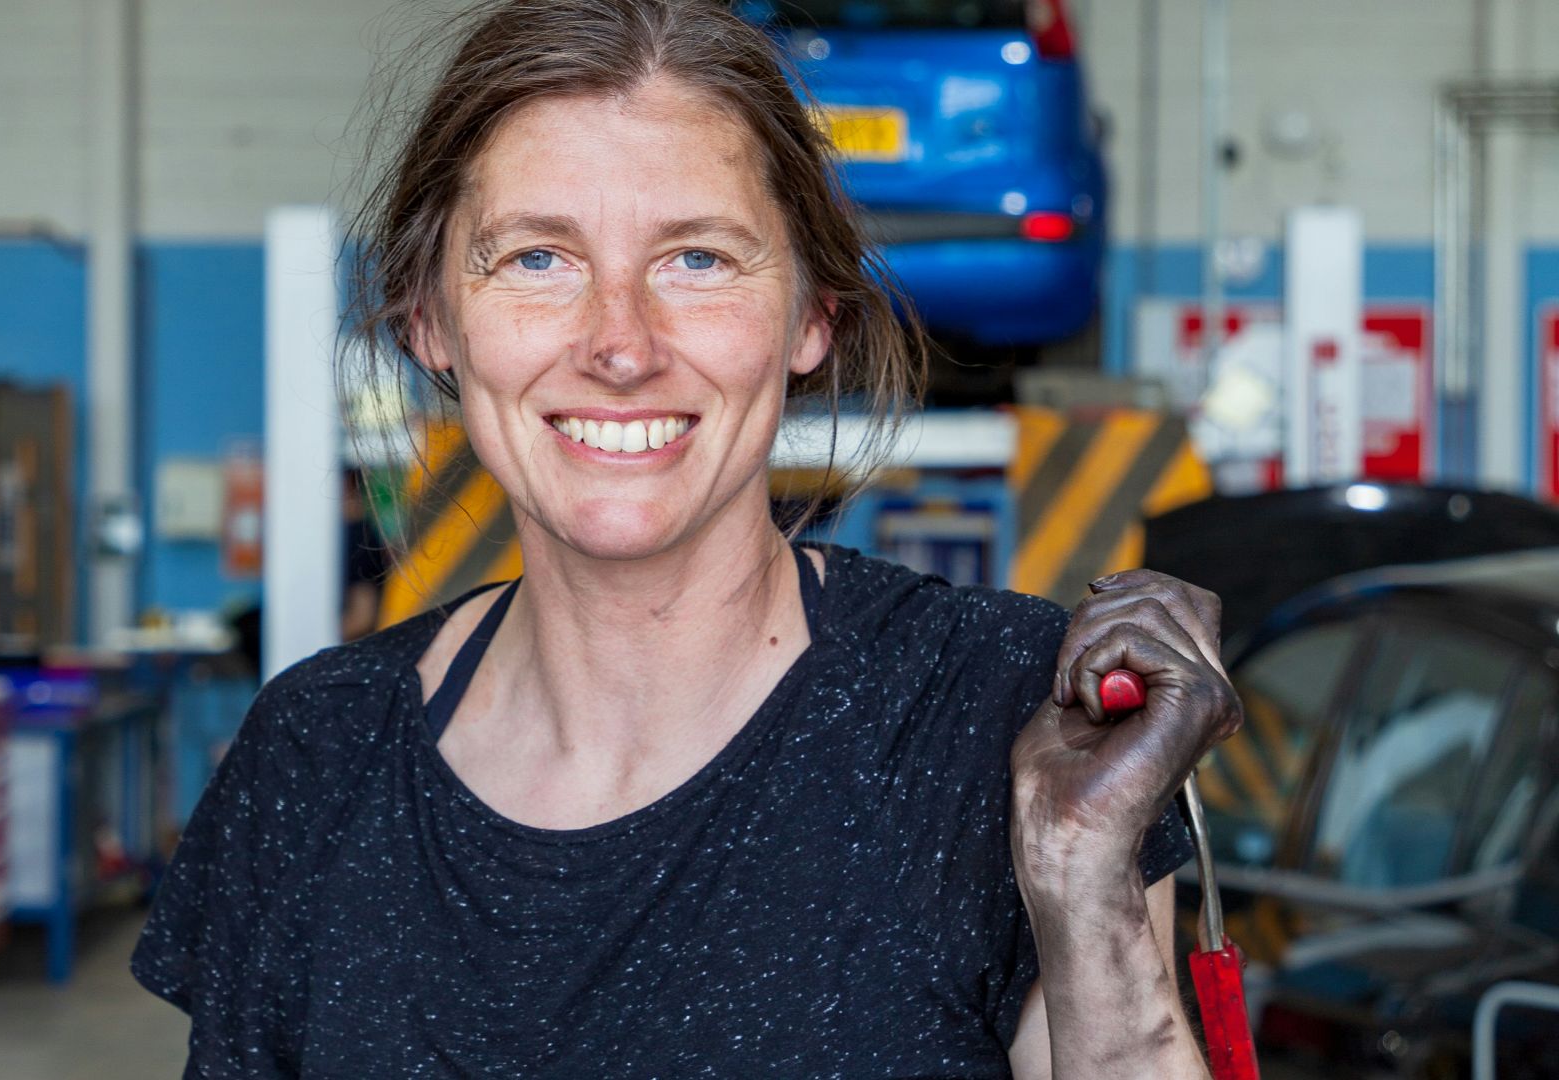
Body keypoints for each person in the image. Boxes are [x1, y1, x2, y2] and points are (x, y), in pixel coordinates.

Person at [131, 1, 1242, 1076]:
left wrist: (1085, 880)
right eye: (537, 258)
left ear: (813, 315)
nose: (621, 344)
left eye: (698, 259)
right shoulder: (315, 756)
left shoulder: (1000, 720)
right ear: (430, 316)